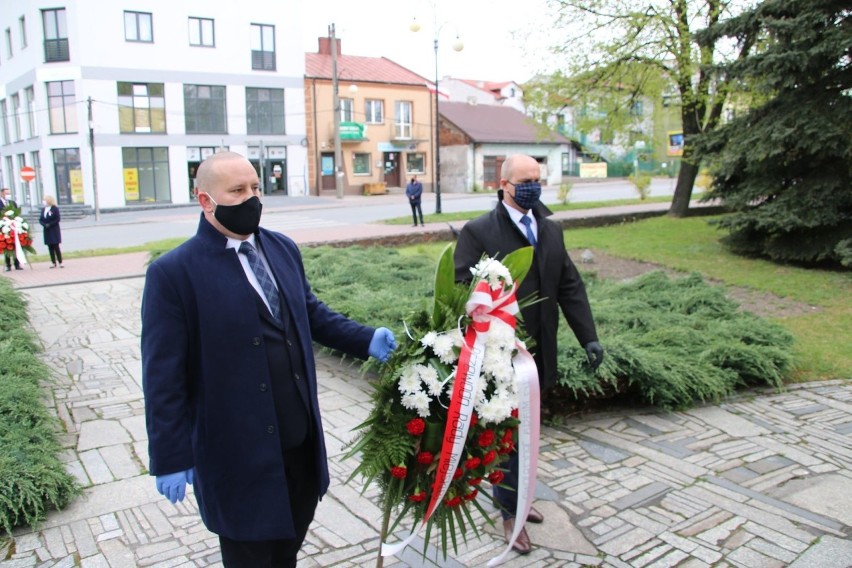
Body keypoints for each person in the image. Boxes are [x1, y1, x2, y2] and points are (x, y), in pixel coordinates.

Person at [141, 151, 397, 567]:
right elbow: (162, 377)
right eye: (238, 191)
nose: (252, 199)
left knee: (288, 549)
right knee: (251, 556)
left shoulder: (280, 248)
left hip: (297, 443)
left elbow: (310, 312)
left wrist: (365, 339)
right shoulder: (174, 274)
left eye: (256, 188)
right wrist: (170, 457)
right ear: (205, 200)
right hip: (236, 456)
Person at [453, 154, 603, 556]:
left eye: (537, 179)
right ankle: (510, 514)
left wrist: (588, 336)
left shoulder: (549, 229)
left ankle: (518, 498)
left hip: (541, 352)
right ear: (503, 185)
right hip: (501, 355)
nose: (532, 186)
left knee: (529, 433)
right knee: (506, 437)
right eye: (524, 180)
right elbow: (459, 287)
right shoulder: (479, 231)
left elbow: (569, 284)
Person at [1, 187, 22, 271]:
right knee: (6, 245)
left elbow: (17, 213)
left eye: (8, 193)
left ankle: (17, 264)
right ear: (2, 193)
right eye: (6, 193)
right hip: (4, 227)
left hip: (14, 227)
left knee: (15, 245)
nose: (7, 195)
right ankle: (8, 264)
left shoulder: (12, 203)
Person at [39, 195, 63, 268]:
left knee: (56, 246)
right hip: (47, 230)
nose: (44, 202)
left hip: (54, 229)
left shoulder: (55, 209)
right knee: (50, 247)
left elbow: (57, 219)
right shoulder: (43, 209)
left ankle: (60, 262)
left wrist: (50, 224)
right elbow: (40, 219)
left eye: (45, 200)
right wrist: (44, 224)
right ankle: (53, 262)